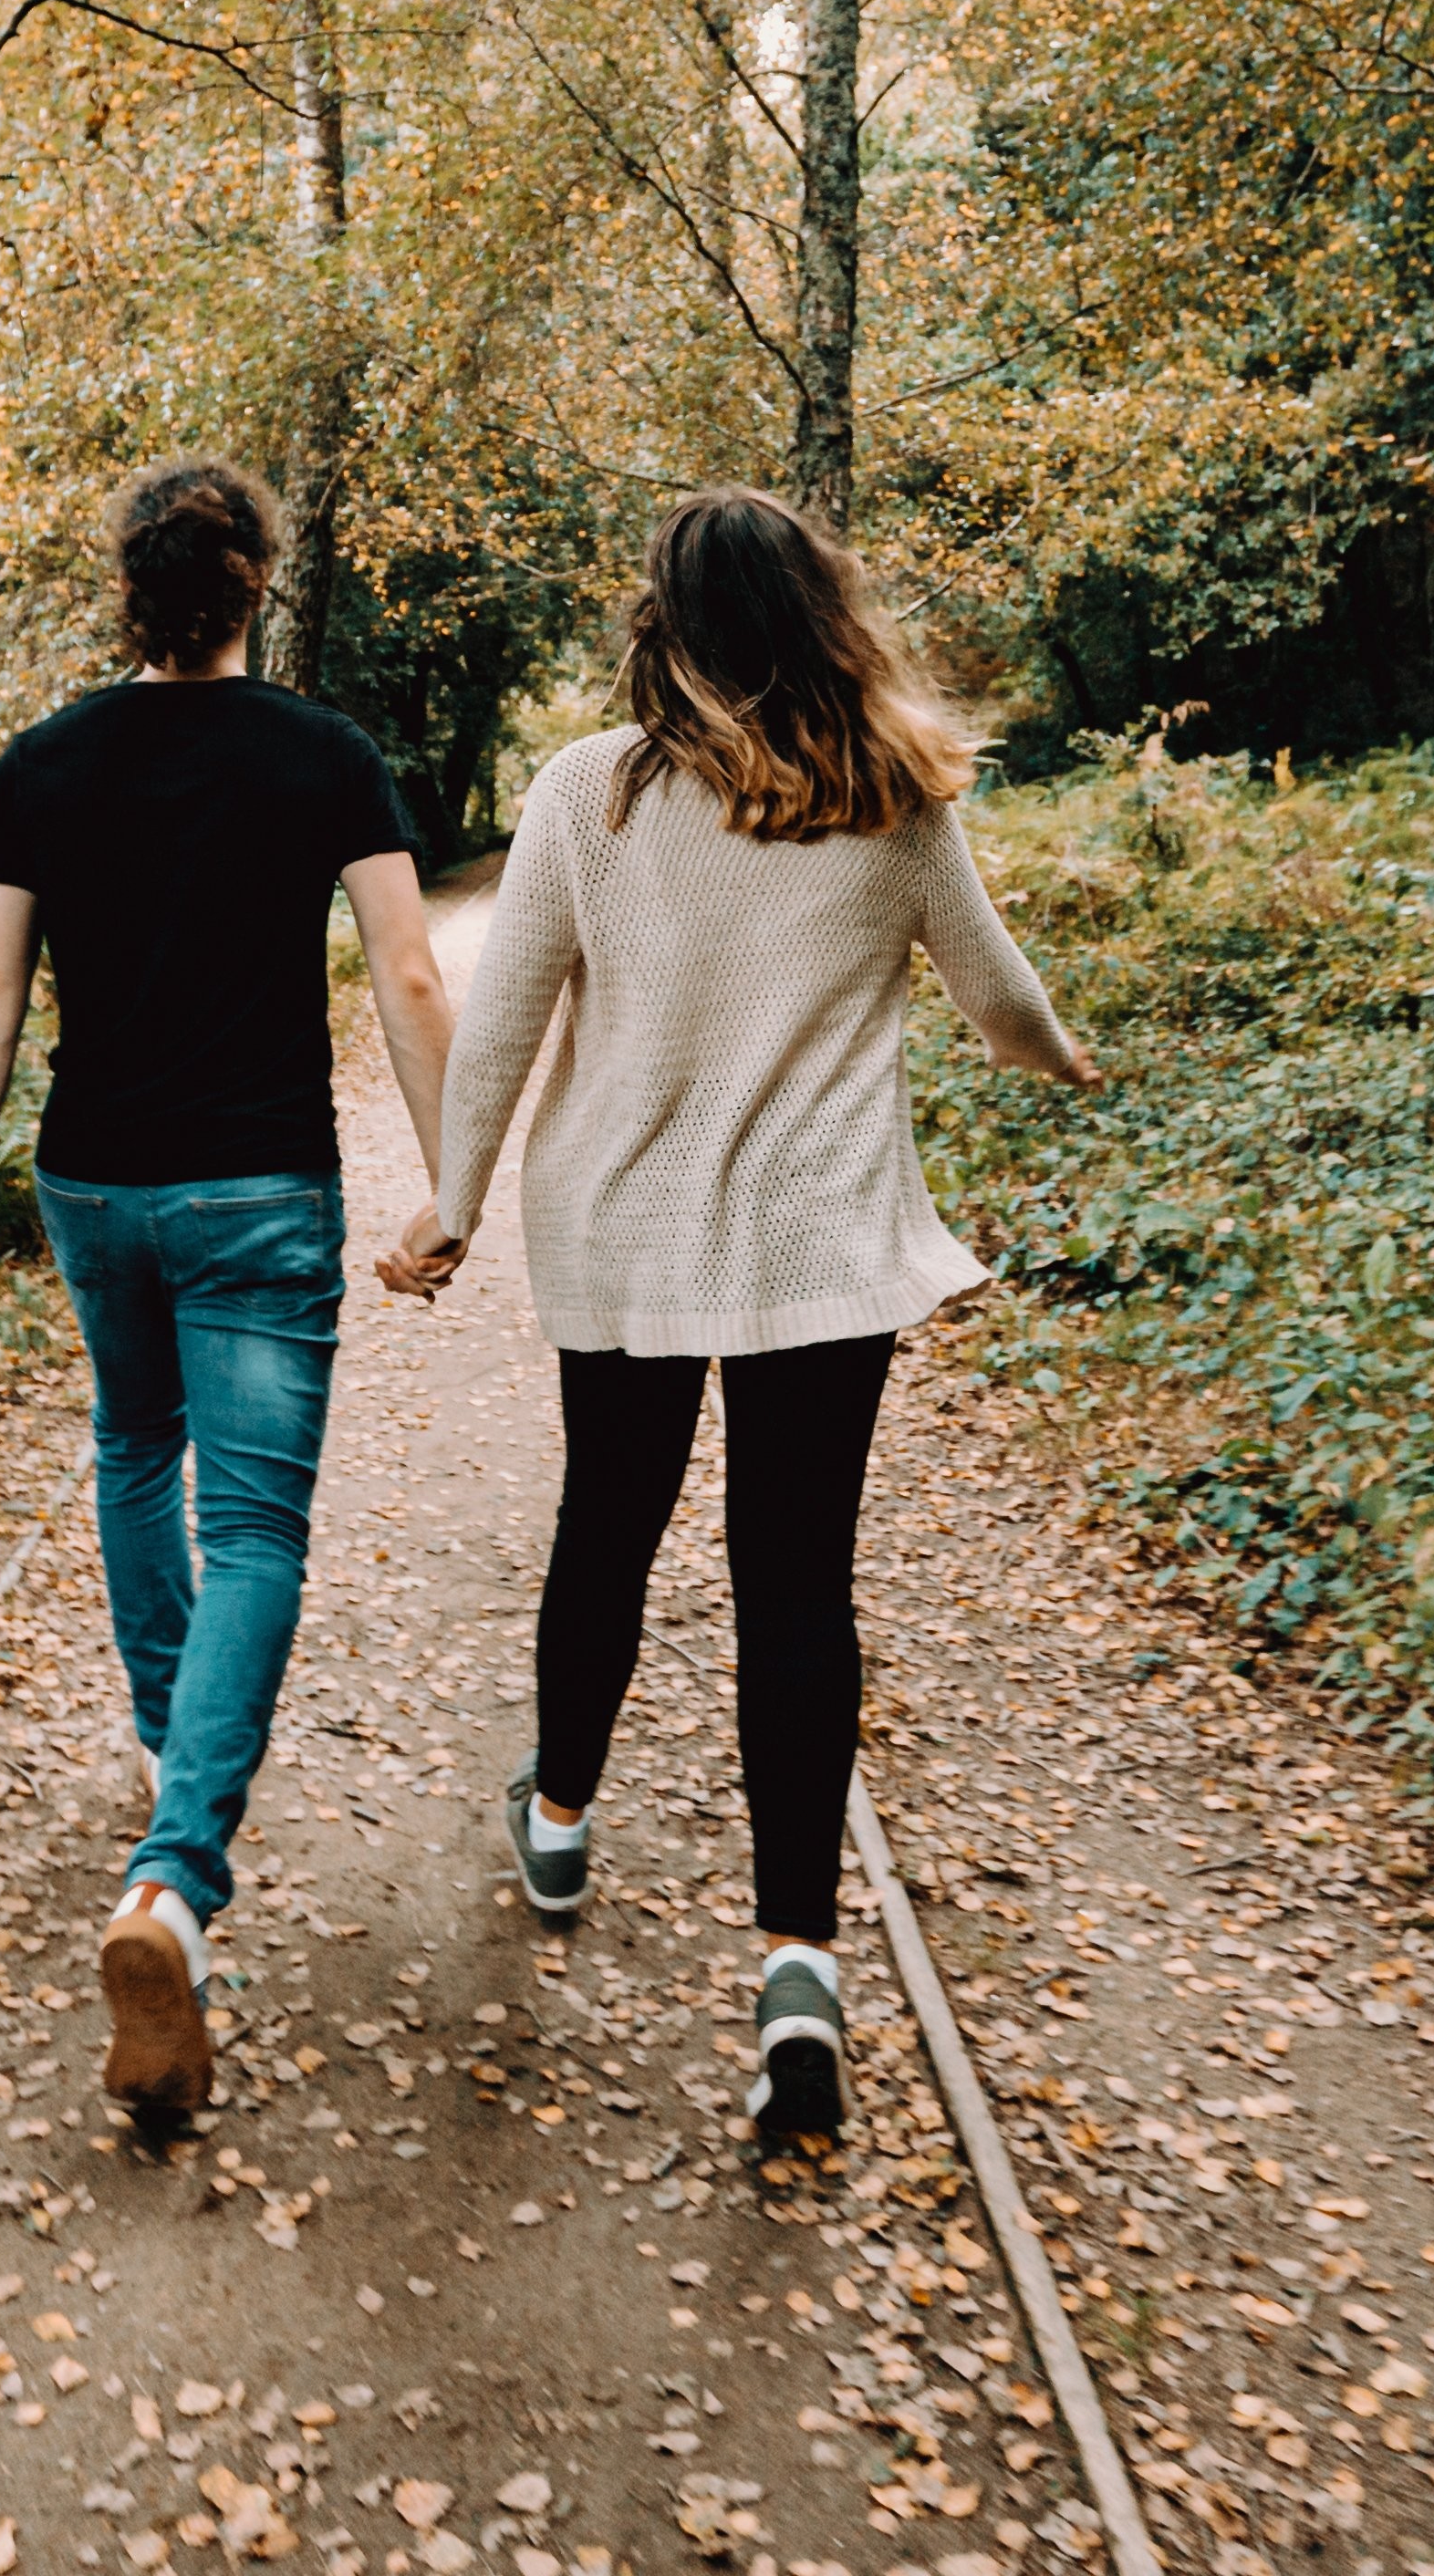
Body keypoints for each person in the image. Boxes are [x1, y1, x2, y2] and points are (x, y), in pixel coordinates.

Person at [384, 487, 1100, 2149]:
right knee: (797, 1584)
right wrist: (1061, 1058)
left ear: (669, 623)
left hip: (621, 1235)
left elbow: (501, 1021)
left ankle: (557, 1816)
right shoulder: (890, 794)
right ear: (819, 613)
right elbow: (994, 988)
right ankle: (798, 1969)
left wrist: (459, 1201)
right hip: (819, 1247)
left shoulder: (589, 793)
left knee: (608, 1532)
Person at [0, 458, 455, 2126]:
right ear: (253, 587)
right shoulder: (324, 756)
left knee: (134, 1449)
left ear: (130, 591)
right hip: (262, 1189)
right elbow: (413, 972)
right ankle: (172, 1879)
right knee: (263, 1532)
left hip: (98, 1189)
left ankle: (174, 1749)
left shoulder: (43, 766)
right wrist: (460, 1182)